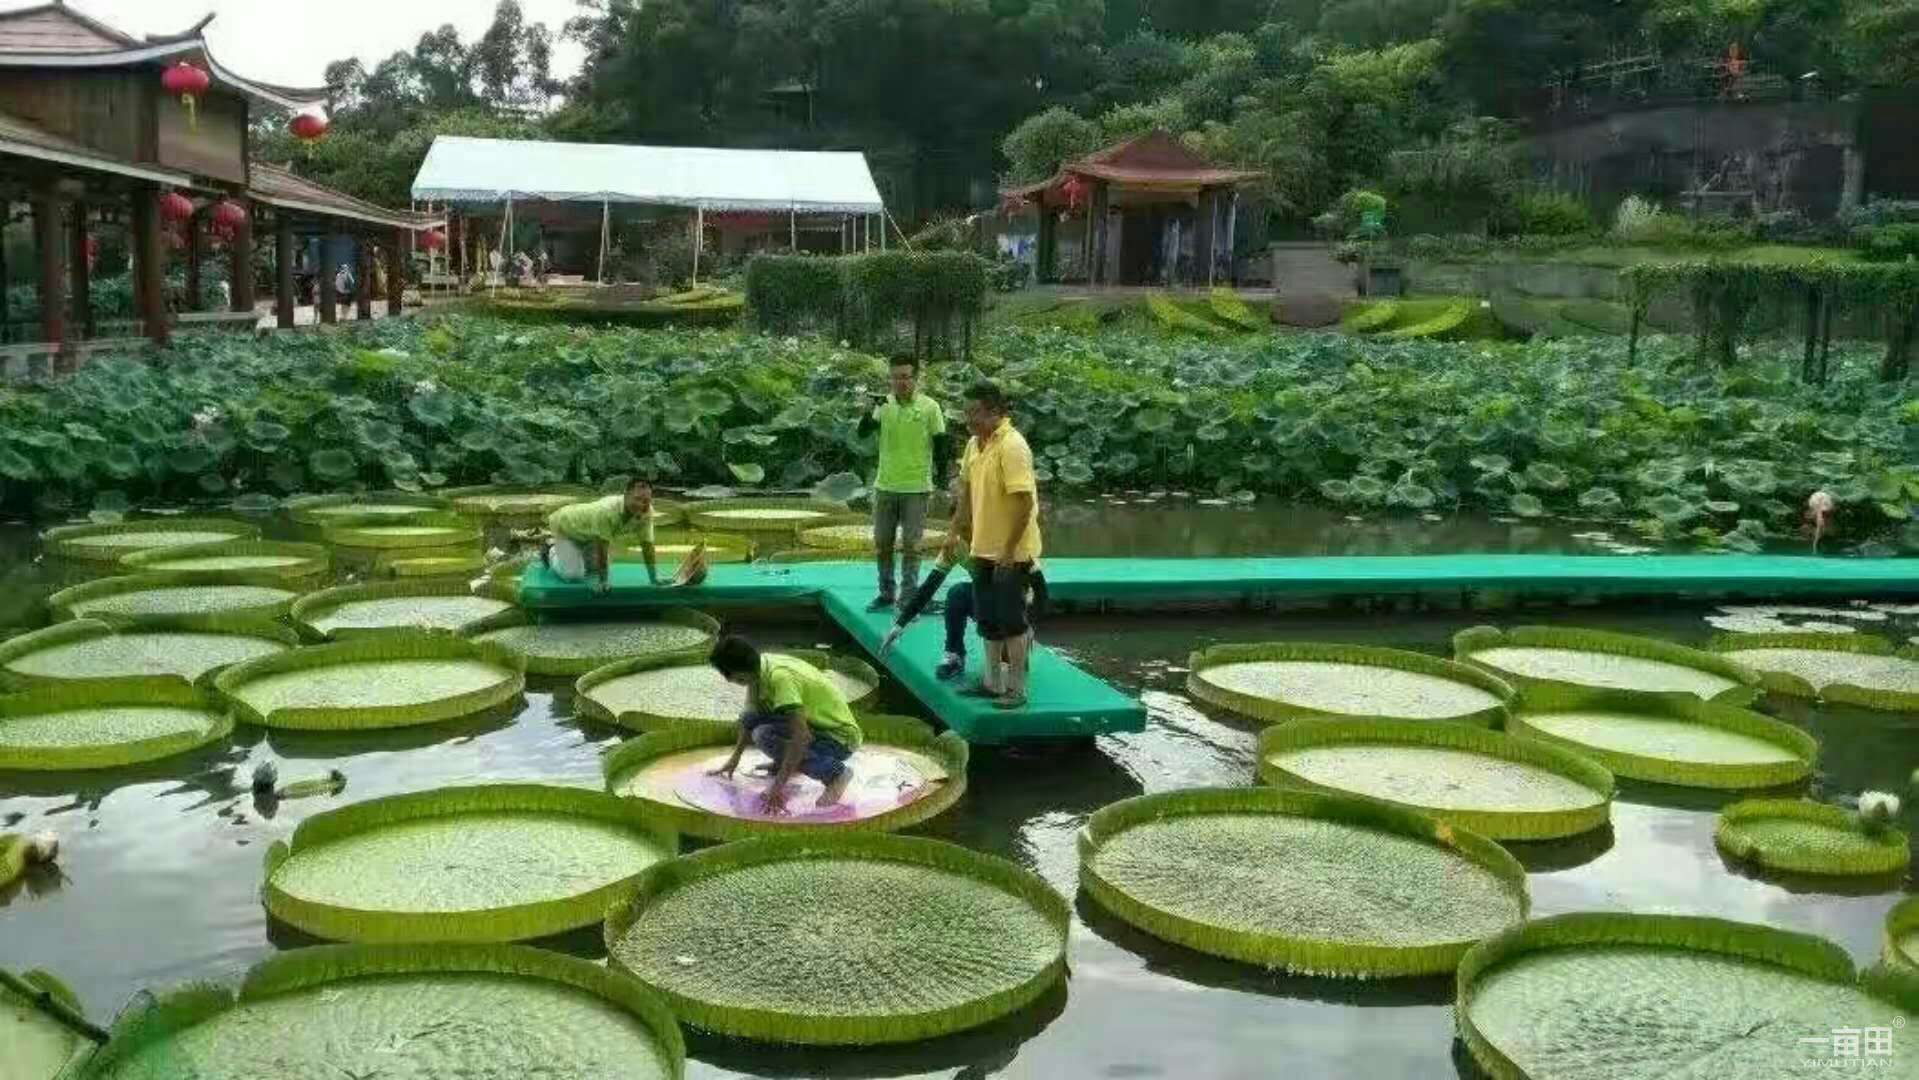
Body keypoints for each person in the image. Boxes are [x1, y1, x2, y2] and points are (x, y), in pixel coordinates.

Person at [951, 380, 1041, 710]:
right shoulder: (975, 444)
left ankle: (1016, 689)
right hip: (982, 548)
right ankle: (992, 683)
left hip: (1013, 553)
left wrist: (1007, 550)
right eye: (967, 413)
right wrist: (953, 531)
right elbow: (966, 491)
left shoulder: (1013, 445)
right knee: (988, 619)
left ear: (995, 412)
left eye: (975, 413)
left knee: (1012, 620)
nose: (969, 420)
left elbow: (1024, 503)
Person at [706, 635, 864, 814]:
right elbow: (749, 716)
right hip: (815, 725)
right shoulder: (759, 667)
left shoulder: (780, 678)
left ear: (739, 673)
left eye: (729, 675)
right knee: (753, 718)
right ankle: (789, 762)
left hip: (839, 739)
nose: (729, 680)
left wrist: (777, 787)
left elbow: (802, 737)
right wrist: (734, 759)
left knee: (763, 735)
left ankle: (836, 774)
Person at [881, 532, 1048, 682]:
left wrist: (1027, 625)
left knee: (1013, 668)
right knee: (958, 593)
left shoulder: (1005, 538)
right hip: (986, 601)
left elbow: (1042, 592)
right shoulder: (956, 544)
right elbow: (929, 587)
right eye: (960, 527)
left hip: (1015, 608)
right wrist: (900, 624)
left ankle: (1013, 647)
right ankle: (954, 655)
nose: (967, 532)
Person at [856, 356, 950, 612]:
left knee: (913, 546)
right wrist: (869, 410)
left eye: (906, 377)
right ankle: (886, 593)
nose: (901, 382)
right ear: (891, 379)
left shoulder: (930, 407)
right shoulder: (883, 405)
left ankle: (909, 598)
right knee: (882, 543)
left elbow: (941, 444)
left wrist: (942, 480)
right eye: (896, 377)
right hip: (885, 485)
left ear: (915, 378)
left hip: (916, 488)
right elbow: (862, 433)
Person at [542, 478, 660, 595]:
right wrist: (603, 582)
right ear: (625, 495)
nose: (641, 504)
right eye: (637, 499)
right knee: (572, 575)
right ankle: (550, 550)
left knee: (594, 570)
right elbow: (602, 548)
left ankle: (577, 553)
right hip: (566, 527)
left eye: (646, 500)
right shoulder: (607, 511)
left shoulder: (647, 512)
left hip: (590, 535)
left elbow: (647, 546)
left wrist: (654, 579)